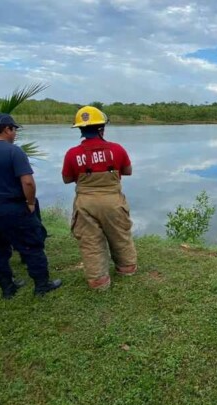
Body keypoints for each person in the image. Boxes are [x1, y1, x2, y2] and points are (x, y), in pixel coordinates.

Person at [0, 113, 62, 298]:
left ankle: (7, 287)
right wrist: (31, 202)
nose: (15, 134)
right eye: (14, 129)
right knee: (32, 246)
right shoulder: (13, 151)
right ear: (6, 129)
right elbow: (27, 182)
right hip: (12, 208)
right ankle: (42, 285)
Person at [62, 106, 137, 290]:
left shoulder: (72, 153)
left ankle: (99, 281)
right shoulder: (117, 149)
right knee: (120, 235)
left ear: (80, 129)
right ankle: (127, 268)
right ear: (102, 128)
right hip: (113, 201)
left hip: (85, 203)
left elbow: (66, 179)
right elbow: (127, 171)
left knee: (90, 242)